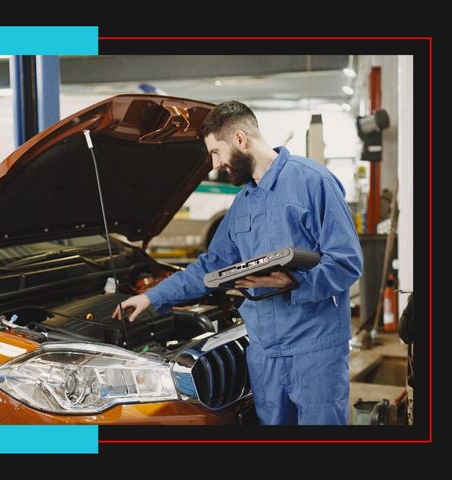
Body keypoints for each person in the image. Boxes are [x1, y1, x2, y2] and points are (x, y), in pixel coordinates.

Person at [112, 101, 363, 425]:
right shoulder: (243, 204)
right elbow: (209, 266)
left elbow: (347, 261)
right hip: (263, 352)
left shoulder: (312, 181)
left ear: (241, 139)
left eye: (216, 152)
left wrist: (295, 282)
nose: (215, 165)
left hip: (313, 348)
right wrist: (151, 297)